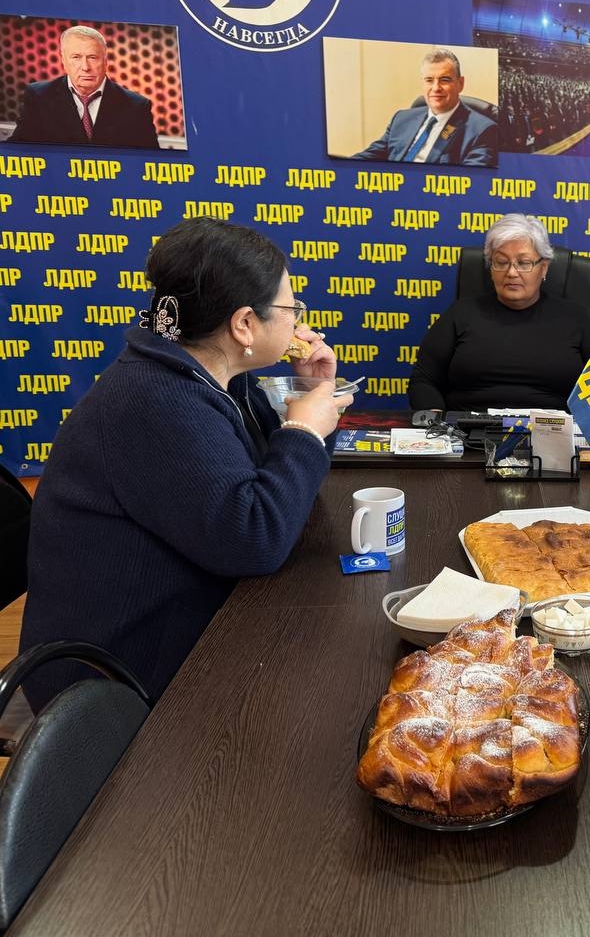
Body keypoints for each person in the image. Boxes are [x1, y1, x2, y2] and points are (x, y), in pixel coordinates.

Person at [19, 218, 351, 710]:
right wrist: (302, 430)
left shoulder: (217, 375)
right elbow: (254, 539)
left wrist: (311, 392)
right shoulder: (156, 398)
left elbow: (276, 486)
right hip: (115, 678)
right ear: (244, 324)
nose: (299, 319)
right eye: (290, 308)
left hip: (190, 619)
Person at [408, 213, 590, 412]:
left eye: (523, 263)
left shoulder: (576, 319)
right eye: (501, 262)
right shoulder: (460, 314)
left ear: (544, 268)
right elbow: (424, 379)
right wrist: (435, 421)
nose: (511, 272)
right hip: (468, 427)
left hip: (551, 429)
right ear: (491, 268)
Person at [7, 25, 159, 149]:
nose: (85, 67)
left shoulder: (136, 106)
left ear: (105, 61)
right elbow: (17, 149)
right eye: (76, 57)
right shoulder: (39, 96)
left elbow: (149, 161)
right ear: (63, 61)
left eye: (92, 57)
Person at [352, 48, 497, 166]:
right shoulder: (401, 119)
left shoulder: (482, 131)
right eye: (429, 80)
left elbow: (472, 181)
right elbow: (369, 157)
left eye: (444, 80)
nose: (436, 88)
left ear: (460, 84)